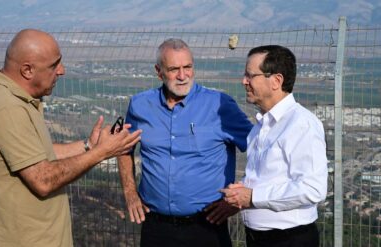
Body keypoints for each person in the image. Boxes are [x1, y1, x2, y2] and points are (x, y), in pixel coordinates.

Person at [0, 29, 142, 247]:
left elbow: (36, 155)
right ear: (27, 70)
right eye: (54, 65)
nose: (62, 70)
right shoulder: (8, 109)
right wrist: (102, 153)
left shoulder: (15, 99)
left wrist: (88, 146)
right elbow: (43, 180)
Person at [118, 38, 253, 247]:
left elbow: (261, 150)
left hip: (207, 227)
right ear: (159, 71)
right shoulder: (140, 105)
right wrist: (129, 192)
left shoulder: (219, 105)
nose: (182, 76)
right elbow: (123, 148)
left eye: (187, 67)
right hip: (155, 227)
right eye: (174, 69)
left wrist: (240, 198)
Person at [221, 45, 328, 247]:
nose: (244, 81)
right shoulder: (261, 126)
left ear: (276, 81)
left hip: (288, 239)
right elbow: (270, 176)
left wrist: (252, 197)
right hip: (259, 238)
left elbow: (313, 188)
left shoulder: (301, 124)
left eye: (250, 75)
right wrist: (241, 192)